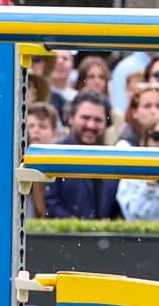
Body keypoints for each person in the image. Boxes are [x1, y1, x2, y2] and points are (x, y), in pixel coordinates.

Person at [43, 92, 120, 220]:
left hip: (105, 238)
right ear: (71, 118)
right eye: (85, 118)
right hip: (63, 237)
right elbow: (50, 203)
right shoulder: (55, 153)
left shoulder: (112, 157)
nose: (91, 125)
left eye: (98, 120)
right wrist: (80, 232)